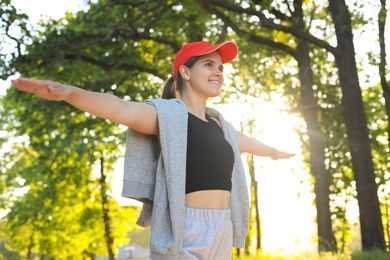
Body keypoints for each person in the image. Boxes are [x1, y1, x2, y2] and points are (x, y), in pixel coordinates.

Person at [11, 40, 294, 259]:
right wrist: (68, 92)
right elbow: (119, 107)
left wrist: (274, 151)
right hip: (187, 229)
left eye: (220, 68)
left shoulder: (220, 125)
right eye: (209, 65)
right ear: (185, 71)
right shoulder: (166, 116)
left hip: (222, 226)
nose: (218, 72)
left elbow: (247, 142)